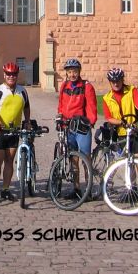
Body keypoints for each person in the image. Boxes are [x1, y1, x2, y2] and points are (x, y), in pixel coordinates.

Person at [0, 61, 31, 203]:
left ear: (17, 75)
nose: (11, 76)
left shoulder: (22, 91)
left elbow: (26, 107)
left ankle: (5, 189)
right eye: (8, 74)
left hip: (14, 130)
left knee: (9, 161)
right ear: (4, 74)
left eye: (13, 74)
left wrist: (28, 120)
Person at [56, 58, 97, 199]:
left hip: (81, 126)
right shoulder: (64, 86)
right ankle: (76, 188)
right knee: (73, 158)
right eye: (70, 72)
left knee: (85, 157)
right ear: (66, 73)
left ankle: (88, 189)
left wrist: (91, 121)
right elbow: (61, 104)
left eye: (75, 71)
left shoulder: (86, 86)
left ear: (79, 72)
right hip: (68, 125)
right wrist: (60, 116)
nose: (72, 74)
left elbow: (91, 105)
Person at [102, 67, 138, 162]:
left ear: (122, 80)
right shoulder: (106, 98)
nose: (116, 83)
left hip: (135, 131)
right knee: (126, 163)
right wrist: (120, 122)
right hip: (121, 133)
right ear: (110, 82)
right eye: (113, 81)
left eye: (118, 80)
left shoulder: (131, 90)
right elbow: (108, 117)